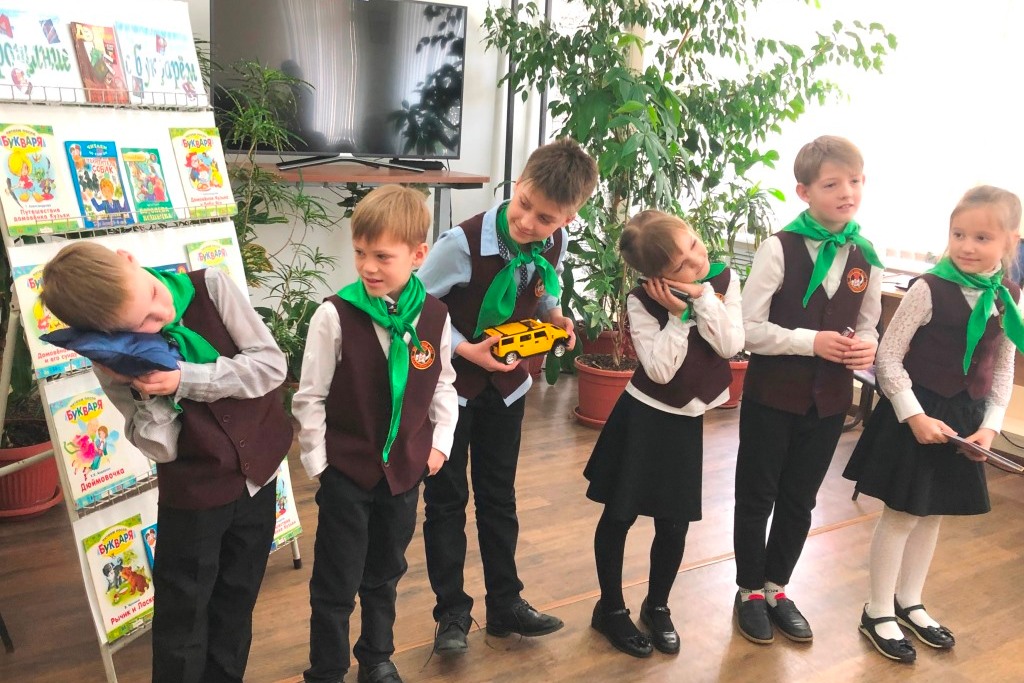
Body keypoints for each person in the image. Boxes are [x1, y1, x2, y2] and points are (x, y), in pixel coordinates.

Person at [40, 241, 293, 683]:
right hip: (194, 495)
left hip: (259, 475)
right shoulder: (113, 360)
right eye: (142, 325)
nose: (162, 315)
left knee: (237, 600)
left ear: (128, 259)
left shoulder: (211, 287)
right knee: (183, 614)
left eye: (154, 298)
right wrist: (144, 393)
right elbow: (162, 449)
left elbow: (271, 367)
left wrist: (185, 379)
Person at [416, 137, 598, 652]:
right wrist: (464, 349)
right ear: (517, 184)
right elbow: (413, 306)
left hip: (508, 391)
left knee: (499, 497)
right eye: (524, 205)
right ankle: (452, 613)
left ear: (569, 218)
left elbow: (545, 289)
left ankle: (505, 604)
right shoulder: (461, 243)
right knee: (447, 501)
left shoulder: (555, 242)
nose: (528, 223)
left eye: (546, 219)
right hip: (450, 393)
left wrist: (555, 316)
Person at [843, 186, 1024, 663]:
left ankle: (910, 601)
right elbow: (888, 358)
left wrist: (990, 426)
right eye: (958, 234)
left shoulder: (1008, 296)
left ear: (1010, 241)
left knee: (933, 512)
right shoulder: (929, 288)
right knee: (902, 514)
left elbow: (1002, 366)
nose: (966, 246)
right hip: (916, 413)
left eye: (982, 237)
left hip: (965, 417)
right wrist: (914, 415)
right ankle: (877, 609)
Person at [293, 185, 458, 683]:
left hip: (404, 473)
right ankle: (327, 668)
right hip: (347, 473)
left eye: (382, 256)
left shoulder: (435, 317)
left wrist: (439, 446)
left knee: (386, 572)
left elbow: (442, 384)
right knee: (336, 579)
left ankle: (377, 657)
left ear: (418, 255)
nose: (368, 266)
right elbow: (310, 397)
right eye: (360, 252)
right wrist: (321, 465)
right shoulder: (334, 315)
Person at [733, 135, 883, 645]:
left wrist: (866, 347)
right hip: (772, 397)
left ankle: (777, 587)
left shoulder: (866, 254)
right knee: (757, 495)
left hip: (829, 403)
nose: (847, 193)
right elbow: (748, 330)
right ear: (804, 191)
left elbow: (869, 324)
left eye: (855, 182)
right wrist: (810, 342)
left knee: (800, 499)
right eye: (832, 184)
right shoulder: (779, 248)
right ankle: (749, 590)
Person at [584, 211, 744, 657]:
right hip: (642, 419)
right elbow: (658, 370)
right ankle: (610, 609)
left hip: (685, 422)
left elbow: (731, 345)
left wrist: (701, 298)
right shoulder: (641, 300)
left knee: (674, 524)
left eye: (693, 244)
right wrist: (678, 317)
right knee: (619, 516)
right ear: (657, 277)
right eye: (680, 265)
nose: (696, 261)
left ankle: (657, 606)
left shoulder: (724, 280)